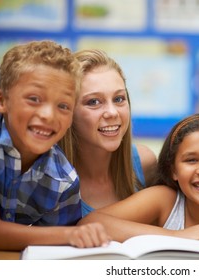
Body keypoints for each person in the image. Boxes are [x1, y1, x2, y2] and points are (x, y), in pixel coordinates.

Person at [0, 40, 109, 251]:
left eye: (63, 106)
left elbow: (54, 254)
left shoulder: (63, 181)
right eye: (34, 99)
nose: (48, 115)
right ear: (1, 101)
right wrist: (70, 234)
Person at [79, 113, 199, 248]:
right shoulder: (164, 200)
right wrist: (177, 236)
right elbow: (88, 224)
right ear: (173, 170)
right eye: (191, 160)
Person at [59, 49, 157, 217]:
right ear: (69, 111)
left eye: (119, 99)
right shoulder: (47, 176)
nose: (112, 112)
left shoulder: (144, 164)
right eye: (94, 102)